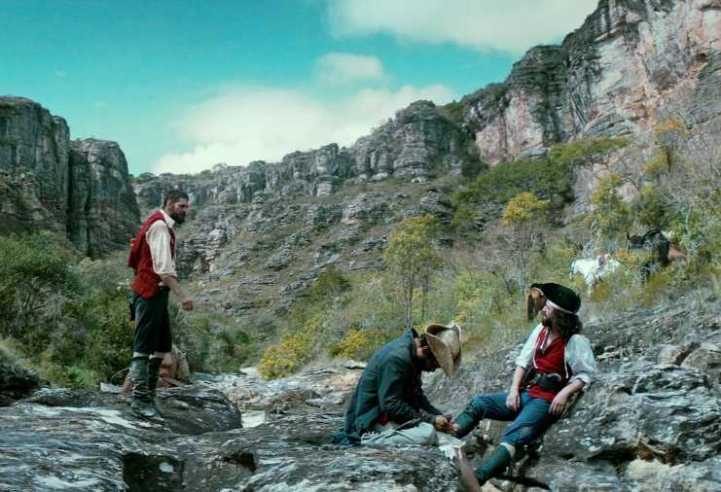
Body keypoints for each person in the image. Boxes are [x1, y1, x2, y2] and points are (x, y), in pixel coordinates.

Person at [454, 283, 597, 490]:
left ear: (559, 313)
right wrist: (513, 390)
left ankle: (475, 481)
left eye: (547, 306)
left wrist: (565, 393)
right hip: (527, 393)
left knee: (514, 435)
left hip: (546, 401)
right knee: (479, 403)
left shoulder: (575, 341)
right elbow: (523, 361)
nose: (543, 309)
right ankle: (447, 440)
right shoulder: (540, 330)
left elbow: (585, 374)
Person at [333, 323, 462, 447]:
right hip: (371, 420)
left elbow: (416, 396)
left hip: (388, 415)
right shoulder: (397, 359)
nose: (433, 370)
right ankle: (369, 440)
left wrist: (439, 416)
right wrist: (432, 420)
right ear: (425, 350)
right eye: (434, 364)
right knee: (427, 434)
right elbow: (391, 405)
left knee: (439, 434)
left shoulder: (413, 356)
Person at [126, 189, 193, 418]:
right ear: (170, 203)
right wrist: (183, 297)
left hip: (155, 293)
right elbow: (163, 270)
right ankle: (139, 399)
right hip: (149, 292)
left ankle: (149, 394)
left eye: (186, 207)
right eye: (181, 206)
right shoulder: (160, 227)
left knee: (162, 346)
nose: (185, 211)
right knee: (143, 346)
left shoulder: (161, 225)